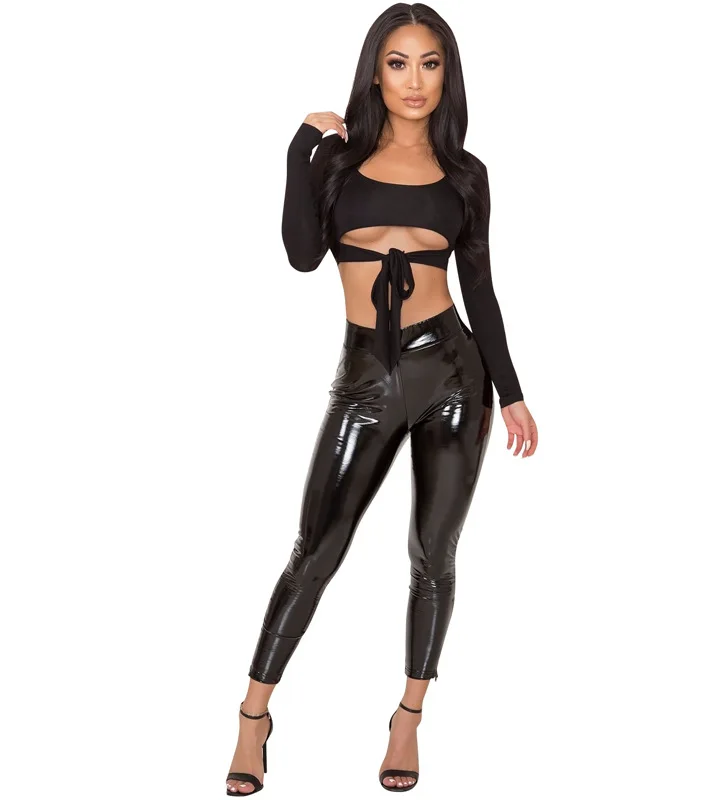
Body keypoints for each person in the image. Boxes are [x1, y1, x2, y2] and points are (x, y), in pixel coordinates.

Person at [226, 4, 538, 795]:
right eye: (398, 63)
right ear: (375, 71)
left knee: (433, 555)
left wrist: (510, 392)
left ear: (447, 75)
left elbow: (481, 289)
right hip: (366, 375)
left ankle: (408, 716)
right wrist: (298, 150)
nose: (414, 80)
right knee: (315, 551)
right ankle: (253, 717)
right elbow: (302, 256)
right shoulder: (336, 162)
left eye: (430, 63)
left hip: (454, 374)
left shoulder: (467, 174)